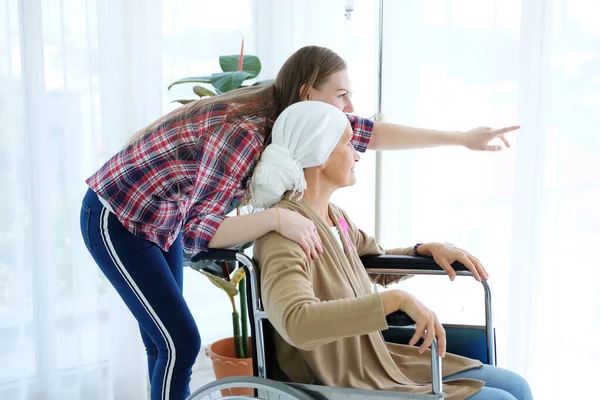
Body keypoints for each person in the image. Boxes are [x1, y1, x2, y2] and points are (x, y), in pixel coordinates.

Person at [79, 45, 520, 400]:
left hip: (166, 218)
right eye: (342, 96)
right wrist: (277, 219)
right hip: (118, 216)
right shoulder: (246, 138)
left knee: (163, 343)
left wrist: (462, 141)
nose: (353, 112)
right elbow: (199, 238)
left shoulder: (324, 188)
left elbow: (372, 144)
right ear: (309, 98)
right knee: (178, 342)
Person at [251, 101, 532, 400]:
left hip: (376, 359)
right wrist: (394, 300)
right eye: (348, 143)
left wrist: (424, 250)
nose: (357, 155)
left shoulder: (335, 217)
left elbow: (371, 262)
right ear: (320, 154)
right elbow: (297, 322)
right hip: (337, 381)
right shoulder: (283, 234)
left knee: (517, 387)